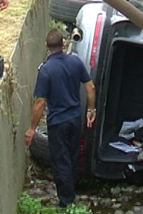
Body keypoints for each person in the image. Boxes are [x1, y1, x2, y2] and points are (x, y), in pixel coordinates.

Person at [25, 29, 96, 207]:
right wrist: (91, 110)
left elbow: (40, 102)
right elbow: (90, 87)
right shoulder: (75, 61)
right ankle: (71, 192)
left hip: (58, 122)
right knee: (72, 156)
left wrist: (32, 128)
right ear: (63, 44)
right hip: (75, 118)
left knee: (60, 160)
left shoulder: (46, 70)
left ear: (46, 46)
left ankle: (67, 201)